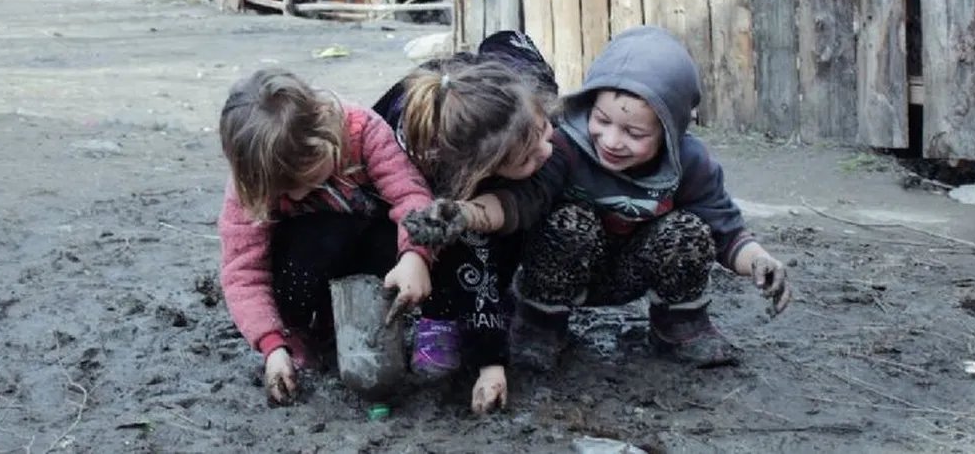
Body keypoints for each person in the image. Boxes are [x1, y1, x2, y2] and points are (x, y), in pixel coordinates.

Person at [407, 26, 792, 369]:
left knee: (688, 230)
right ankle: (541, 325)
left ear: (670, 130)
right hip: (562, 270)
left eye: (634, 133)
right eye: (602, 121)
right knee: (567, 220)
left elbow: (724, 227)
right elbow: (517, 202)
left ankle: (680, 324)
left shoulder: (690, 163)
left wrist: (758, 260)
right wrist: (463, 214)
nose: (611, 141)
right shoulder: (565, 148)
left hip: (633, 270)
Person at [217, 68, 435, 404]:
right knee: (316, 237)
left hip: (369, 249)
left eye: (308, 174)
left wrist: (415, 256)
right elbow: (243, 272)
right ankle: (301, 335)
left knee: (380, 239)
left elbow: (411, 199)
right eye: (287, 188)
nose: (302, 192)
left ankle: (356, 324)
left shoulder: (362, 130)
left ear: (323, 134)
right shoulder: (252, 185)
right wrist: (272, 344)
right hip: (304, 261)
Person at [374, 31, 557, 413]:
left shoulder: (503, 102)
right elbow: (405, 207)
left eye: (544, 131)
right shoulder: (401, 136)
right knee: (442, 230)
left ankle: (479, 329)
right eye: (527, 157)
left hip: (474, 195)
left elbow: (491, 249)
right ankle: (436, 316)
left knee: (487, 237)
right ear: (478, 171)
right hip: (391, 200)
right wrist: (417, 256)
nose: (547, 151)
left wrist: (492, 363)